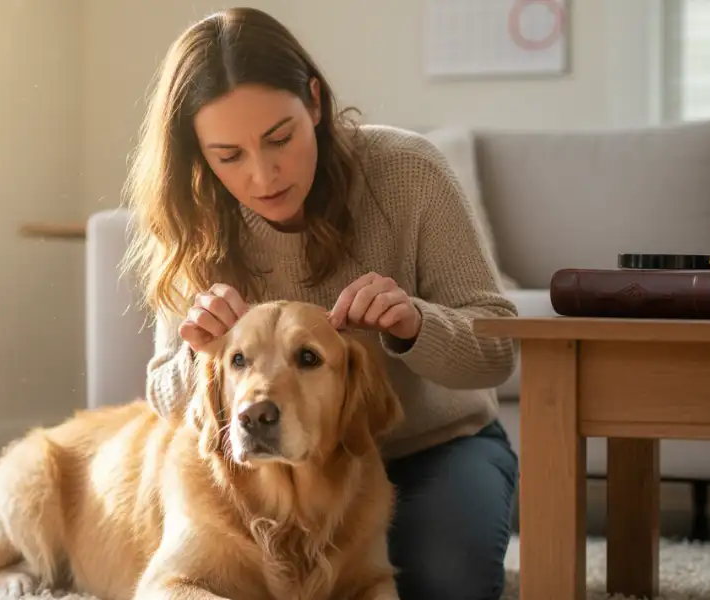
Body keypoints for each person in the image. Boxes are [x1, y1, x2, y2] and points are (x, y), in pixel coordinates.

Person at [119, 7, 520, 600]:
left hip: (430, 449)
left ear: (314, 102)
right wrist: (195, 351)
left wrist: (415, 324)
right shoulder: (195, 220)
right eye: (229, 155)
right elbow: (166, 397)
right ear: (199, 154)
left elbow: (499, 353)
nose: (264, 175)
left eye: (280, 138)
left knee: (446, 583)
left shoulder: (408, 172)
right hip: (272, 470)